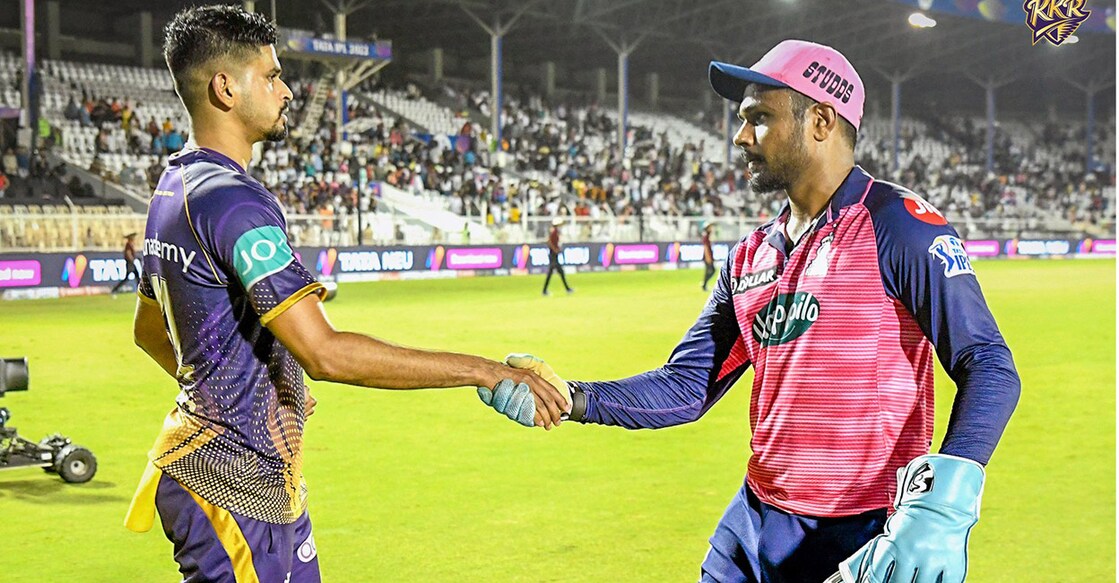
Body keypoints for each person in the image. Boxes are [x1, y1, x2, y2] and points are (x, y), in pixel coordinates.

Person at [498, 40, 1020, 583]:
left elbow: (987, 363)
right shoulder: (749, 255)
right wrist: (573, 398)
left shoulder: (898, 225)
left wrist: (941, 507)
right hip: (753, 527)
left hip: (865, 534)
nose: (740, 137)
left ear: (820, 120)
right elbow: (686, 387)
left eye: (759, 119)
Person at [123, 6, 568, 583]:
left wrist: (248, 393)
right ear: (225, 87)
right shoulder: (234, 200)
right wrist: (487, 372)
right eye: (272, 75)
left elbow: (148, 331)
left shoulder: (173, 188)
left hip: (245, 481)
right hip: (230, 488)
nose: (287, 91)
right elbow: (326, 353)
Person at [542, 217, 573, 295]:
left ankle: (567, 288)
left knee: (559, 272)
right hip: (553, 255)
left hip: (554, 255)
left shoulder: (555, 232)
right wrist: (555, 249)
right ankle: (545, 291)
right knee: (554, 272)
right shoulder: (554, 232)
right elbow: (549, 242)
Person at [701, 222, 716, 291]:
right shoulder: (706, 237)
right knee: (711, 270)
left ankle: (704, 284)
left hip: (709, 256)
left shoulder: (708, 236)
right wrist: (708, 257)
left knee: (709, 271)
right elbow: (706, 248)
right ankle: (704, 284)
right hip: (708, 257)